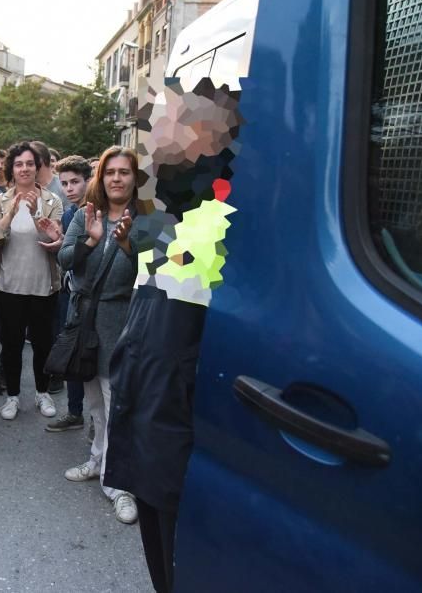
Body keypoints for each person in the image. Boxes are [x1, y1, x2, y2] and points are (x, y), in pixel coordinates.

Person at [104, 77, 244, 592]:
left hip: (177, 416)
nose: (158, 136)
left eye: (176, 124)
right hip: (148, 404)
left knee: (179, 545)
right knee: (156, 540)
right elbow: (157, 284)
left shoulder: (228, 215)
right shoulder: (167, 210)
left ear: (212, 138)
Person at [58, 146, 141, 525]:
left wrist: (129, 246)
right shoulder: (84, 213)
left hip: (123, 320)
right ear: (101, 177)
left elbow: (161, 272)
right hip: (85, 318)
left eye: (124, 172)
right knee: (95, 400)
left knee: (118, 404)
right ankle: (97, 460)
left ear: (135, 178)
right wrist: (90, 240)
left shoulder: (147, 219)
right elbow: (64, 259)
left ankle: (120, 483)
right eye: (110, 172)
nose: (116, 178)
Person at [0, 141, 64, 420]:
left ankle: (43, 393)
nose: (25, 168)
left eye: (30, 163)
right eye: (19, 164)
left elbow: (54, 241)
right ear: (11, 168)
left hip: (43, 286)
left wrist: (34, 214)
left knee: (42, 343)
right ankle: (13, 396)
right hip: (8, 286)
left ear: (38, 167)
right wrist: (9, 216)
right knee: (12, 344)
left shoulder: (53, 201)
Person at [45, 155, 93, 433]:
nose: (69, 188)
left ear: (88, 181)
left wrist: (67, 249)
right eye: (64, 183)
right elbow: (67, 256)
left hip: (94, 295)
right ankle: (75, 412)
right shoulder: (67, 213)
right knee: (73, 353)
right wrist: (60, 242)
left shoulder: (97, 211)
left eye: (75, 182)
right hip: (72, 291)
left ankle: (98, 423)